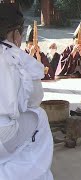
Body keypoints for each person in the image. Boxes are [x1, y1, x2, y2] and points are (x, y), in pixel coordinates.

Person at [0, 3, 53, 179]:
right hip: (3, 135)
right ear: (16, 34)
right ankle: (24, 173)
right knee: (39, 116)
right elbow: (34, 99)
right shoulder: (16, 56)